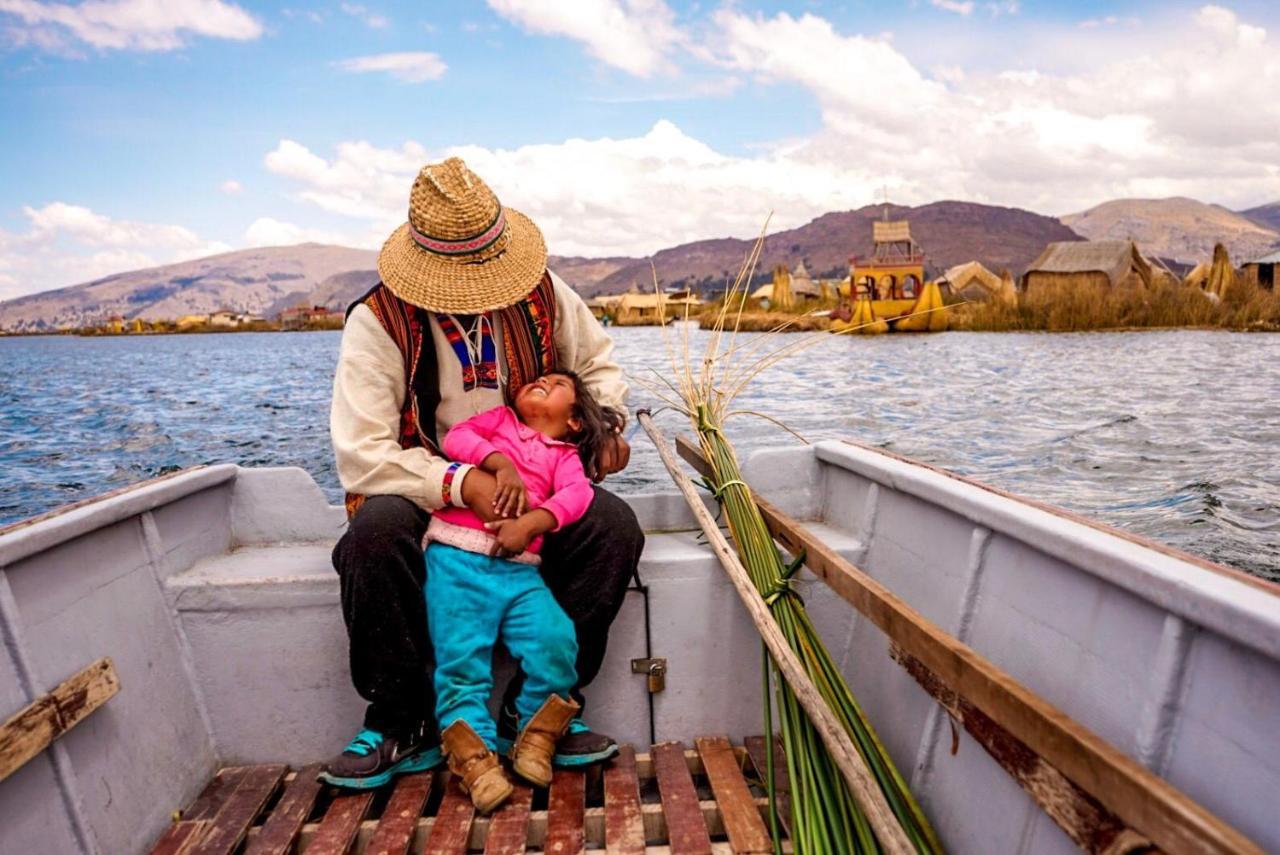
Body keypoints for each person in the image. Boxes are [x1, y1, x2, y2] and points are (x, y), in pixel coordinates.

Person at [322, 157, 644, 789]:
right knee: (373, 536)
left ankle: (541, 711)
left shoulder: (546, 294)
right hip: (425, 482)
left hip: (535, 480)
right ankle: (401, 719)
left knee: (613, 528)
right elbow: (362, 451)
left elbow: (598, 368)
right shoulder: (378, 322)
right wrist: (459, 482)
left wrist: (604, 429)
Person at [426, 371, 624, 812]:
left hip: (519, 573)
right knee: (462, 663)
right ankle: (474, 761)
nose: (542, 380)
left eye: (556, 384)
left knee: (556, 640)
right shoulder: (499, 422)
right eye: (539, 377)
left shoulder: (565, 455)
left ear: (573, 421)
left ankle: (535, 734)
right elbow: (457, 438)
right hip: (456, 561)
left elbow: (576, 495)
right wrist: (501, 464)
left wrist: (531, 524)